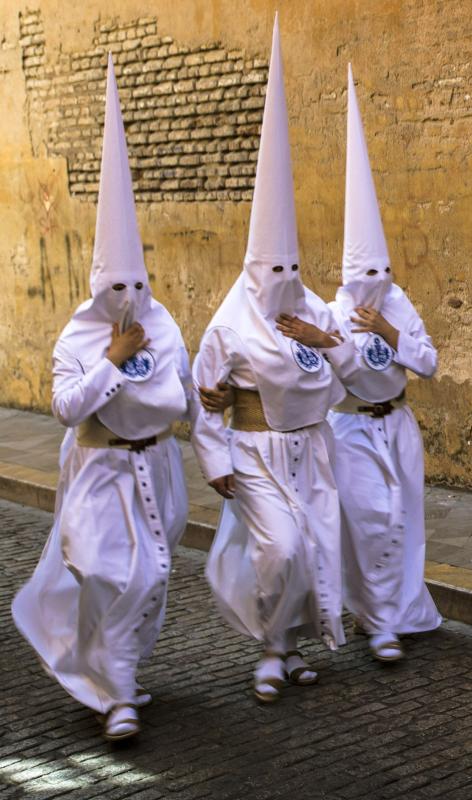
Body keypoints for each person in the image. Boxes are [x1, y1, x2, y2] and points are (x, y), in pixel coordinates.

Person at [11, 56, 196, 741]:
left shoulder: (166, 322)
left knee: (149, 577)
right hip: (98, 472)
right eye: (114, 286)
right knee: (103, 570)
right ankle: (114, 691)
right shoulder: (78, 334)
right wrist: (113, 365)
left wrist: (211, 438)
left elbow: (182, 391)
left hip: (156, 469)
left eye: (134, 285)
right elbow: (66, 407)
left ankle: (118, 677)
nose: (127, 299)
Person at [191, 17, 358, 702]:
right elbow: (205, 397)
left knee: (311, 551)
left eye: (294, 265)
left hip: (311, 449)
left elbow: (357, 371)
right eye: (275, 267)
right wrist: (217, 461)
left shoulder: (314, 308)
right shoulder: (228, 324)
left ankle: (288, 647)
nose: (287, 276)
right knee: (281, 549)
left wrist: (329, 343)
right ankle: (269, 646)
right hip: (257, 452)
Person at [325, 65, 441, 661]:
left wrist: (391, 331)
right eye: (362, 275)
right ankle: (377, 618)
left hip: (396, 422)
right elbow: (324, 376)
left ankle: (399, 609)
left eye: (380, 273)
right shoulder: (330, 310)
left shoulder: (397, 303)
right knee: (369, 517)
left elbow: (428, 363)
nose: (372, 284)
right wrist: (334, 344)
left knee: (403, 516)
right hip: (350, 427)